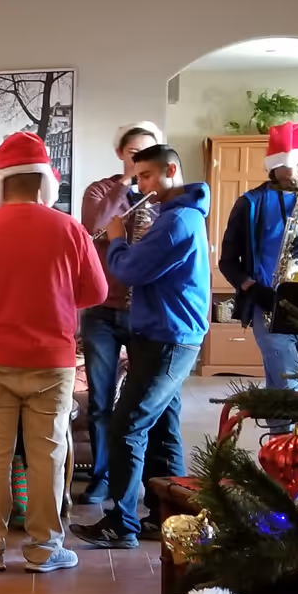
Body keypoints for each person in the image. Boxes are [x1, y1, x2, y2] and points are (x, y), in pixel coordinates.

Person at [0, 133, 107, 574]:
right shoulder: (69, 228)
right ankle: (45, 549)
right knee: (47, 454)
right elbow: (97, 291)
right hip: (52, 360)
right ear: (46, 180)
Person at [72, 143, 211, 550]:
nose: (141, 185)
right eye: (138, 178)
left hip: (168, 339)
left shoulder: (177, 220)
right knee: (164, 430)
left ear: (171, 169)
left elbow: (129, 270)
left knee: (125, 427)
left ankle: (122, 523)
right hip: (163, 335)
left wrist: (115, 239)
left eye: (147, 176)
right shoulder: (177, 216)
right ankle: (170, 519)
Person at [218, 121, 298, 424]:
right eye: (283, 167)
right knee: (292, 386)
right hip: (269, 307)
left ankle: (291, 456)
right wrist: (252, 287)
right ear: (272, 168)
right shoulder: (250, 203)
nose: (292, 174)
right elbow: (227, 262)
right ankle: (294, 453)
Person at [76, 122, 163, 503]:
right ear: (121, 155)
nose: (140, 160)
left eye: (148, 153)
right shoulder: (100, 189)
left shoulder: (165, 196)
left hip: (146, 312)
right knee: (100, 399)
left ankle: (140, 481)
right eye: (134, 154)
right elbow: (93, 227)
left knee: (143, 401)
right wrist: (124, 184)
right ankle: (101, 478)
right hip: (101, 312)